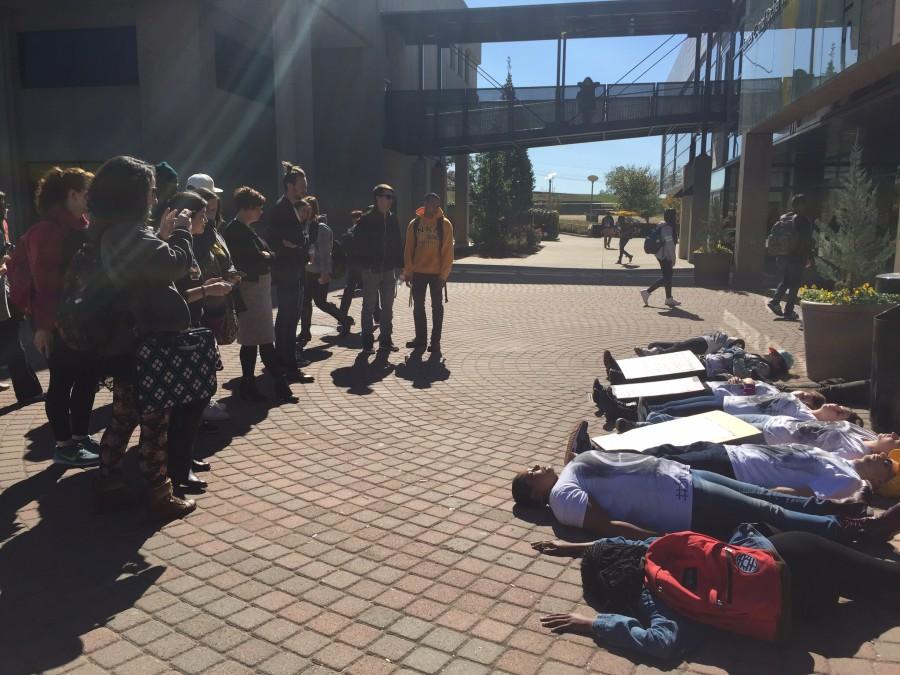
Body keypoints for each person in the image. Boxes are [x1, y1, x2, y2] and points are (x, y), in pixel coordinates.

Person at [536, 530, 900, 660]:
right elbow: (620, 543)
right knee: (879, 579)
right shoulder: (656, 550)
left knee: (881, 592)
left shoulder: (657, 598)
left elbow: (662, 643)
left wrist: (594, 624)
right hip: (784, 552)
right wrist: (574, 547)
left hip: (791, 604)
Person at [91, 155, 199, 519]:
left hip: (127, 341)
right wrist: (183, 231)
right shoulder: (130, 232)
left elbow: (148, 263)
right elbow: (173, 264)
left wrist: (162, 237)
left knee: (123, 415)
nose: (155, 198)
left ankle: (109, 482)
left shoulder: (111, 231)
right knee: (155, 420)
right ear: (137, 195)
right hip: (147, 342)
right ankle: (158, 493)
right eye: (152, 191)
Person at [510, 450, 900, 545]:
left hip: (685, 478)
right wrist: (656, 540)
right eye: (530, 473)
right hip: (685, 503)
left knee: (765, 496)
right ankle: (857, 530)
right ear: (533, 493)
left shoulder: (570, 468)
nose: (536, 466)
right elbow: (605, 525)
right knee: (766, 511)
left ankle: (837, 507)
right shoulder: (562, 498)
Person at [566, 421, 888, 502]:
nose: (881, 457)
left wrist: (758, 498)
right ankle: (595, 456)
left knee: (655, 465)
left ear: (882, 481)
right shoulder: (845, 459)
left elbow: (803, 494)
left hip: (736, 471)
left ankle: (589, 462)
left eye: (887, 466)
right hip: (736, 454)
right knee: (665, 450)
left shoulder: (848, 481)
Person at [13, 167, 99, 467]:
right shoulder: (47, 231)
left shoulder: (81, 227)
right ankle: (64, 445)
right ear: (71, 194)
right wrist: (43, 328)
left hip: (82, 320)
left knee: (87, 379)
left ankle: (79, 437)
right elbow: (45, 284)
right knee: (62, 382)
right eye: (87, 192)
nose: (91, 198)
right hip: (58, 323)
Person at [163, 191, 233, 492]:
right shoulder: (174, 248)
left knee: (192, 403)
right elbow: (171, 297)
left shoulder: (188, 245)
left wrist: (207, 287)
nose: (207, 220)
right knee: (184, 407)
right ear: (187, 217)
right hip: (178, 334)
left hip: (192, 327)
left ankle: (185, 459)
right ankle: (177, 470)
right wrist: (207, 291)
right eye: (203, 215)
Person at [222, 187, 297, 403]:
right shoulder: (235, 231)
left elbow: (268, 254)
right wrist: (266, 256)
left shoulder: (245, 229)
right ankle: (278, 385)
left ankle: (250, 384)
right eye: (258, 208)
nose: (261, 212)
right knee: (261, 339)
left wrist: (267, 256)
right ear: (246, 209)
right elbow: (254, 259)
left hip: (258, 291)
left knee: (255, 340)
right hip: (250, 290)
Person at [268, 162, 310, 379]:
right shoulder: (281, 209)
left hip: (295, 271)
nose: (305, 187)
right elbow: (275, 238)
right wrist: (288, 242)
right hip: (286, 272)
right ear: (290, 185)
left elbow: (299, 239)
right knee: (288, 318)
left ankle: (281, 360)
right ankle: (288, 364)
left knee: (288, 317)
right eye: (302, 183)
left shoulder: (295, 208)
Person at [0, 191, 42, 403]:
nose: (5, 209)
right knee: (12, 341)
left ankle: (29, 389)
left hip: (5, 292)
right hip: (3, 296)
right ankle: (28, 390)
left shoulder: (2, 228)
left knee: (11, 340)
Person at [353, 184, 403, 354]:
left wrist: (401, 266)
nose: (390, 200)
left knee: (388, 306)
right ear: (378, 198)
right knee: (368, 306)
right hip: (371, 271)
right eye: (387, 197)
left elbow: (398, 244)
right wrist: (366, 265)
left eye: (391, 197)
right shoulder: (366, 220)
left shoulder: (392, 218)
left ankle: (385, 340)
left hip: (389, 270)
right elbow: (357, 245)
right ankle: (367, 341)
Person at [402, 192, 454, 355]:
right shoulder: (415, 223)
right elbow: (408, 249)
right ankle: (420, 339)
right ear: (425, 203)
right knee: (418, 307)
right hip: (418, 273)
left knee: (437, 307)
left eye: (437, 204)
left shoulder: (445, 224)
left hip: (436, 275)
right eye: (431, 203)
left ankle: (435, 342)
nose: (435, 206)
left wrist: (443, 276)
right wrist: (408, 272)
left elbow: (448, 253)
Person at [298, 197, 352, 347]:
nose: (304, 212)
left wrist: (325, 273)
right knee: (305, 302)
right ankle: (305, 332)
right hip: (307, 271)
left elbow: (326, 253)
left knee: (320, 302)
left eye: (306, 209)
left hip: (319, 272)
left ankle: (344, 319)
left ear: (313, 209)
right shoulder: (304, 226)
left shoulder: (322, 228)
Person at [602, 343, 792, 384]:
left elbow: (743, 375)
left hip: (709, 370)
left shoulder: (764, 368)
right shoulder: (759, 358)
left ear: (778, 363)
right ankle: (619, 367)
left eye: (775, 355)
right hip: (707, 361)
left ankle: (621, 377)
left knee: (665, 374)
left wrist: (738, 354)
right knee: (662, 363)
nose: (771, 354)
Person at [768, 194, 814, 321]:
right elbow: (806, 241)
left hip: (782, 256)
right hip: (797, 257)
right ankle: (789, 312)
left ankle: (775, 301)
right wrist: (808, 257)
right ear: (802, 205)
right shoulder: (803, 220)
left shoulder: (784, 218)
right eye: (805, 204)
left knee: (786, 280)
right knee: (795, 284)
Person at [338, 209, 378, 333]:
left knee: (349, 291)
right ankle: (377, 315)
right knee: (370, 290)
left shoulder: (350, 231)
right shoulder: (366, 230)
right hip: (363, 266)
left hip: (353, 266)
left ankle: (342, 316)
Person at [640, 208, 680, 308]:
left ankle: (669, 298)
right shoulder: (668, 228)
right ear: (672, 217)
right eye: (675, 215)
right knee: (667, 276)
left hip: (661, 254)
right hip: (664, 255)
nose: (676, 217)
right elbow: (670, 245)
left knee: (668, 276)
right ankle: (647, 292)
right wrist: (673, 259)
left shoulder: (662, 225)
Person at [633, 330, 745, 356]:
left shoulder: (721, 339)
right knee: (677, 347)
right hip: (702, 345)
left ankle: (654, 350)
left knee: (678, 347)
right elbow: (726, 347)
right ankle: (655, 350)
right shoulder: (723, 338)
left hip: (701, 344)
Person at [149, 161, 178, 229]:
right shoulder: (143, 206)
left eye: (175, 188)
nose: (174, 192)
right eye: (171, 188)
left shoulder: (173, 207)